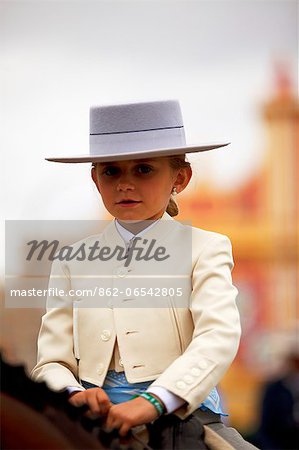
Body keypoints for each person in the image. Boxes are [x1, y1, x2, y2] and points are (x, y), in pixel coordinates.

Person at [31, 100, 258, 449]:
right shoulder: (71, 259)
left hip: (183, 416)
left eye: (143, 170)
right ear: (95, 178)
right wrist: (73, 394)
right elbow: (52, 361)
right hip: (91, 423)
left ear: (180, 178)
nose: (125, 184)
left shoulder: (206, 248)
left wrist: (153, 401)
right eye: (111, 172)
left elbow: (218, 336)